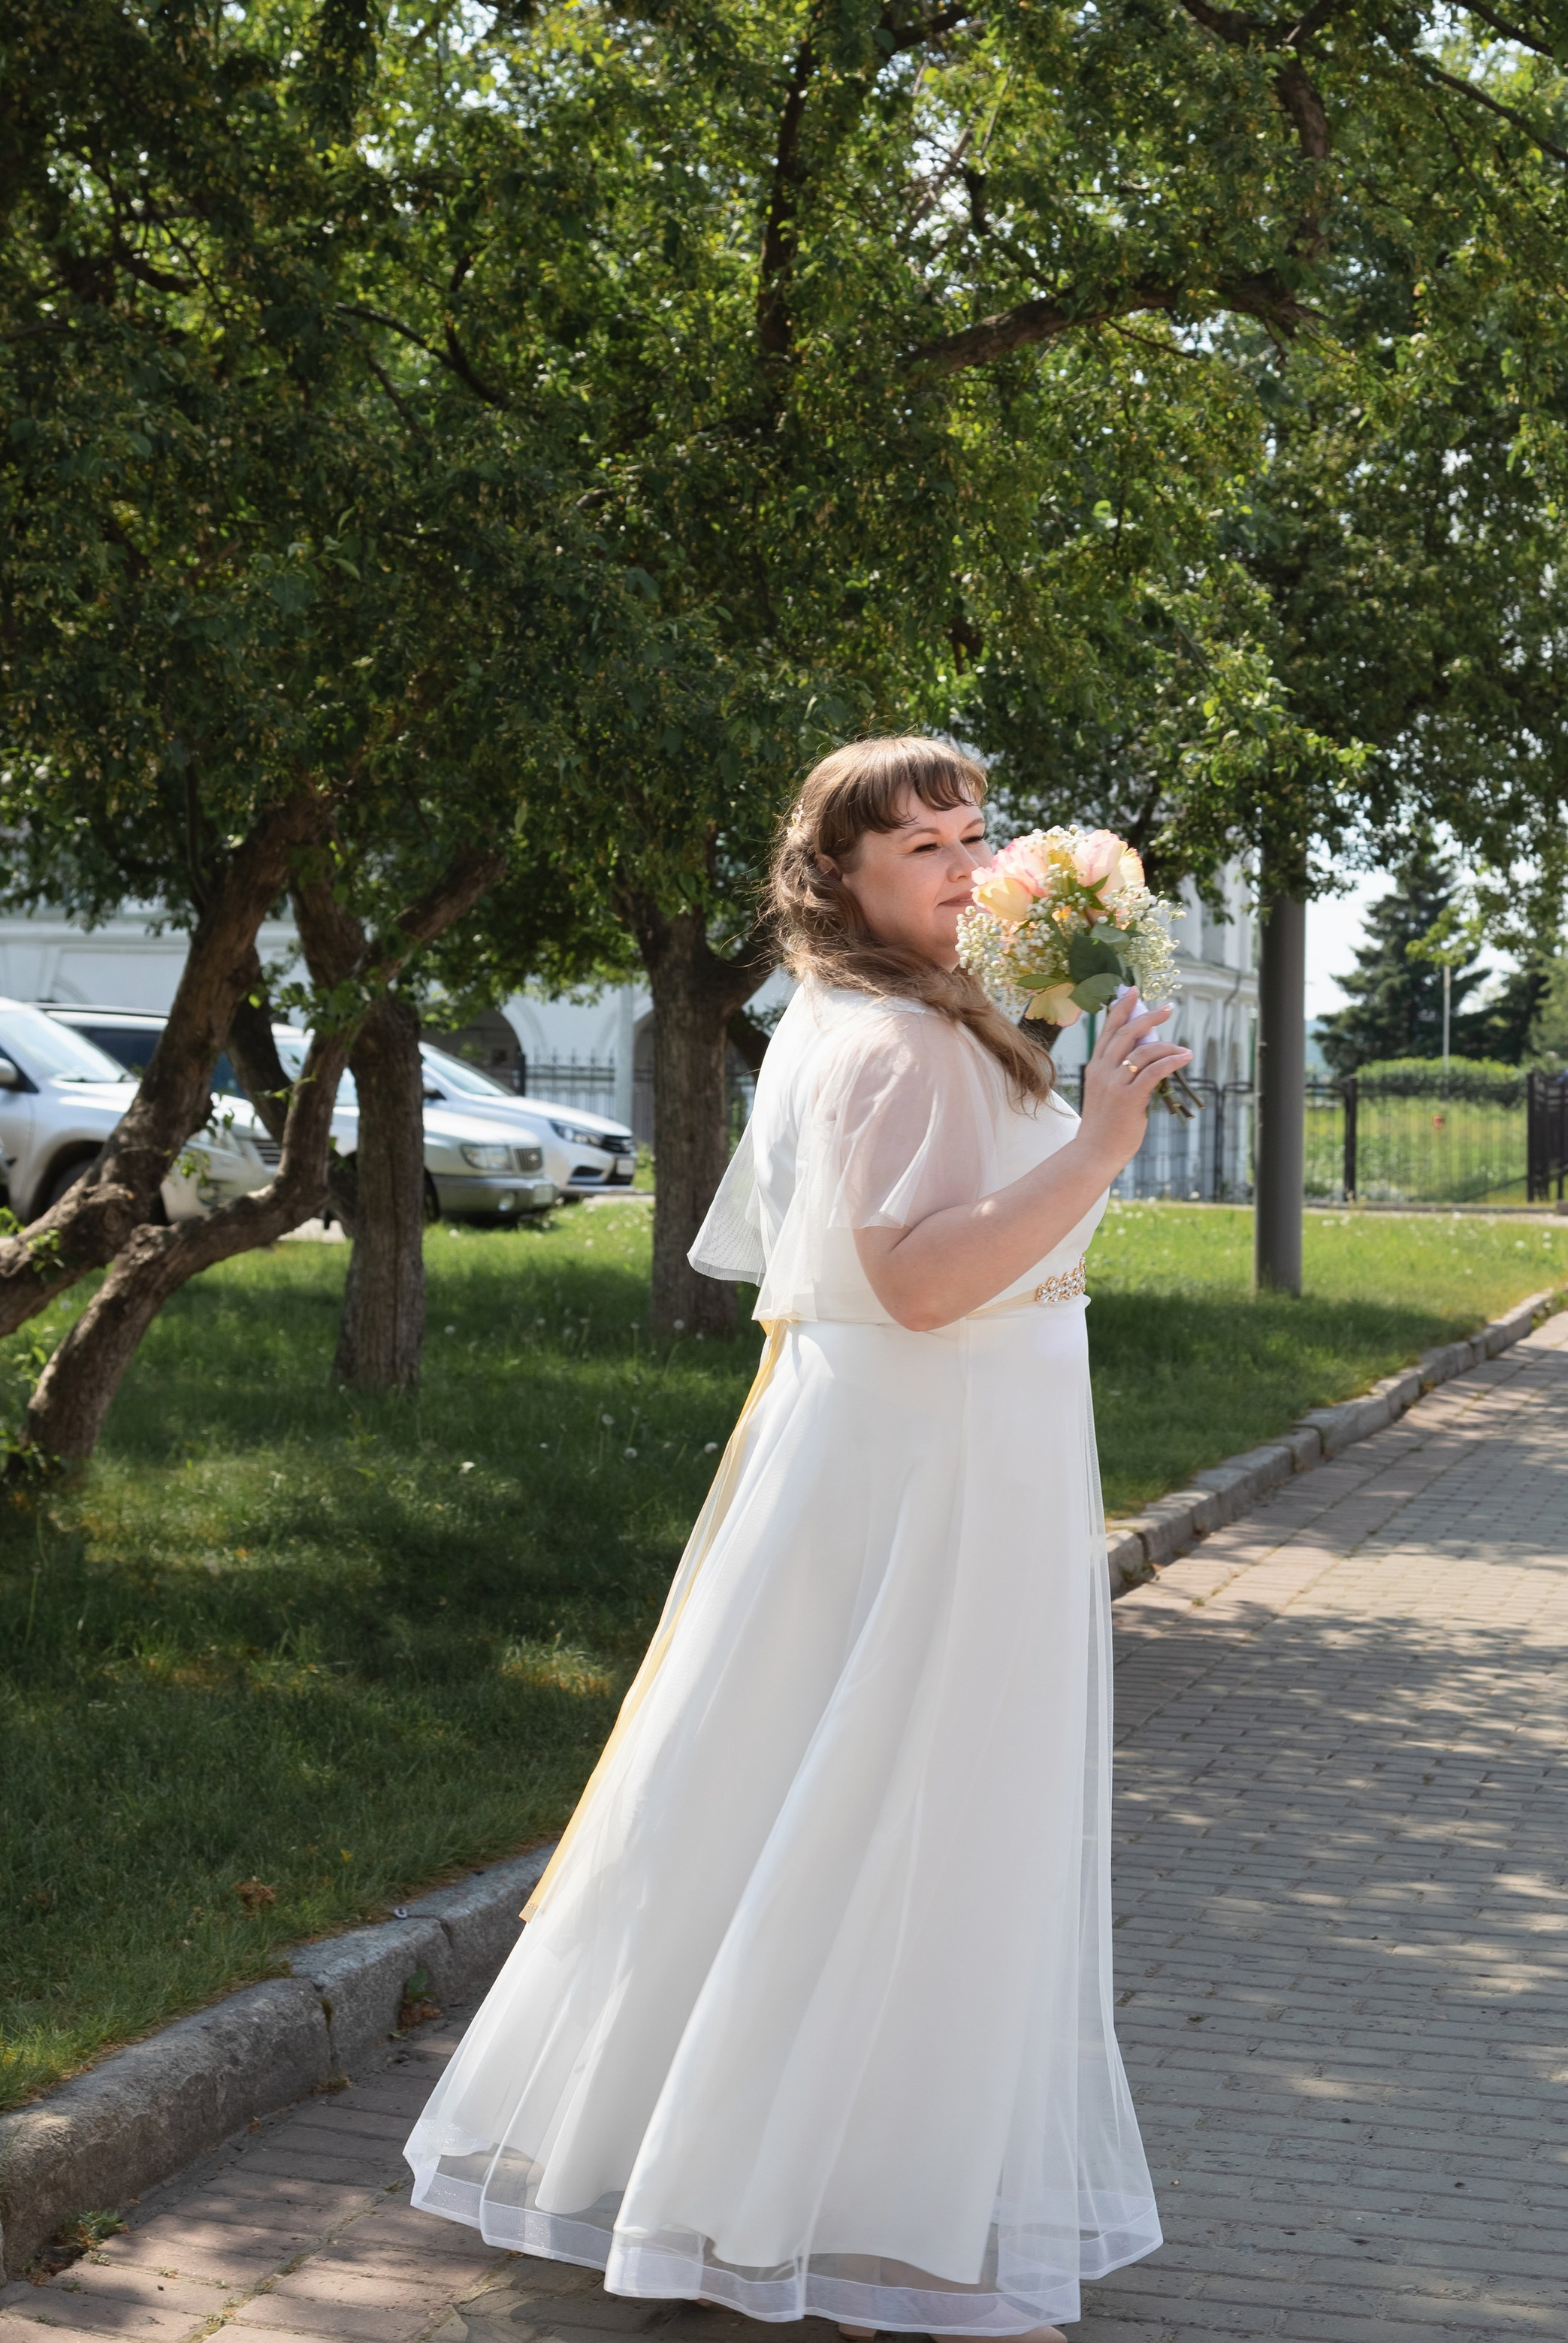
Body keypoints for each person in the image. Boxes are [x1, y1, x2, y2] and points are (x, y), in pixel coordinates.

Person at [404, 736, 1190, 2338]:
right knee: (901, 1806)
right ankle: (851, 2213)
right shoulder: (893, 1037)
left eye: (975, 836)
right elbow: (914, 1280)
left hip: (935, 1446)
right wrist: (1100, 1142)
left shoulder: (909, 1012)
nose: (968, 870)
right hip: (933, 1463)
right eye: (924, 849)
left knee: (821, 1791)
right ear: (840, 874)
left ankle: (765, 2172)